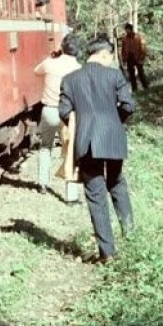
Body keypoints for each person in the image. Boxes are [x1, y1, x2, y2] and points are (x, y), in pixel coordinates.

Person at [58, 34, 136, 263]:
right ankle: (130, 234)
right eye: (111, 57)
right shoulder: (114, 75)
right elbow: (129, 106)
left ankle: (107, 252)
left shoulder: (70, 79)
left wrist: (80, 122)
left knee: (95, 196)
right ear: (104, 54)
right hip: (113, 137)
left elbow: (63, 111)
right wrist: (114, 119)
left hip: (87, 142)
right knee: (117, 183)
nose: (112, 61)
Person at [34, 34, 82, 198]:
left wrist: (52, 56)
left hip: (49, 110)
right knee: (71, 151)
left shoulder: (49, 64)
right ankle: (71, 195)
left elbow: (36, 71)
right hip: (69, 113)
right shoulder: (78, 68)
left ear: (62, 47)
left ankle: (42, 183)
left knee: (45, 147)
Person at [120, 22, 149, 91]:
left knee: (141, 73)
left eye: (128, 29)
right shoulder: (125, 39)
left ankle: (146, 88)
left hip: (138, 57)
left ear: (131, 29)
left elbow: (143, 47)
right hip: (129, 58)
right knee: (131, 74)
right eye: (126, 30)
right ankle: (134, 89)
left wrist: (142, 57)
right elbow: (123, 49)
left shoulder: (138, 37)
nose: (127, 31)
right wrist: (123, 59)